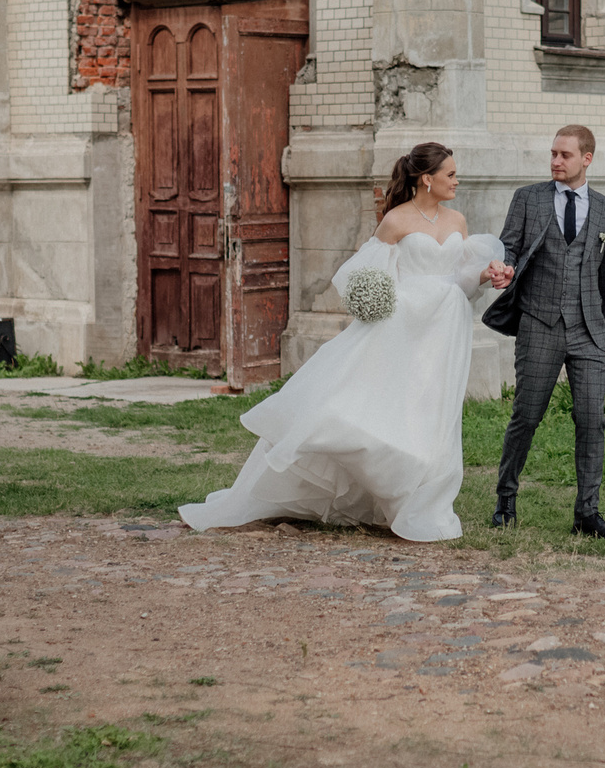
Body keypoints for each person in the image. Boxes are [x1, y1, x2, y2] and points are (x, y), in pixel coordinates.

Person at [179, 141, 508, 542]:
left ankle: (424, 497)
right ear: (427, 179)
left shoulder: (457, 221)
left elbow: (459, 280)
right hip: (402, 326)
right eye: (451, 174)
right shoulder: (395, 222)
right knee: (386, 403)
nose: (457, 180)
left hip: (445, 329)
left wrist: (485, 277)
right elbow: (368, 279)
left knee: (434, 406)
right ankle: (377, 475)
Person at [482, 125, 605, 537]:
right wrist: (502, 266)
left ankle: (587, 513)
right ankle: (506, 498)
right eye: (553, 154)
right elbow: (507, 245)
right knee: (526, 417)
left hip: (589, 331)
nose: (556, 161)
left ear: (587, 159)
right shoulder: (528, 199)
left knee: (591, 419)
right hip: (539, 323)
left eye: (564, 155)